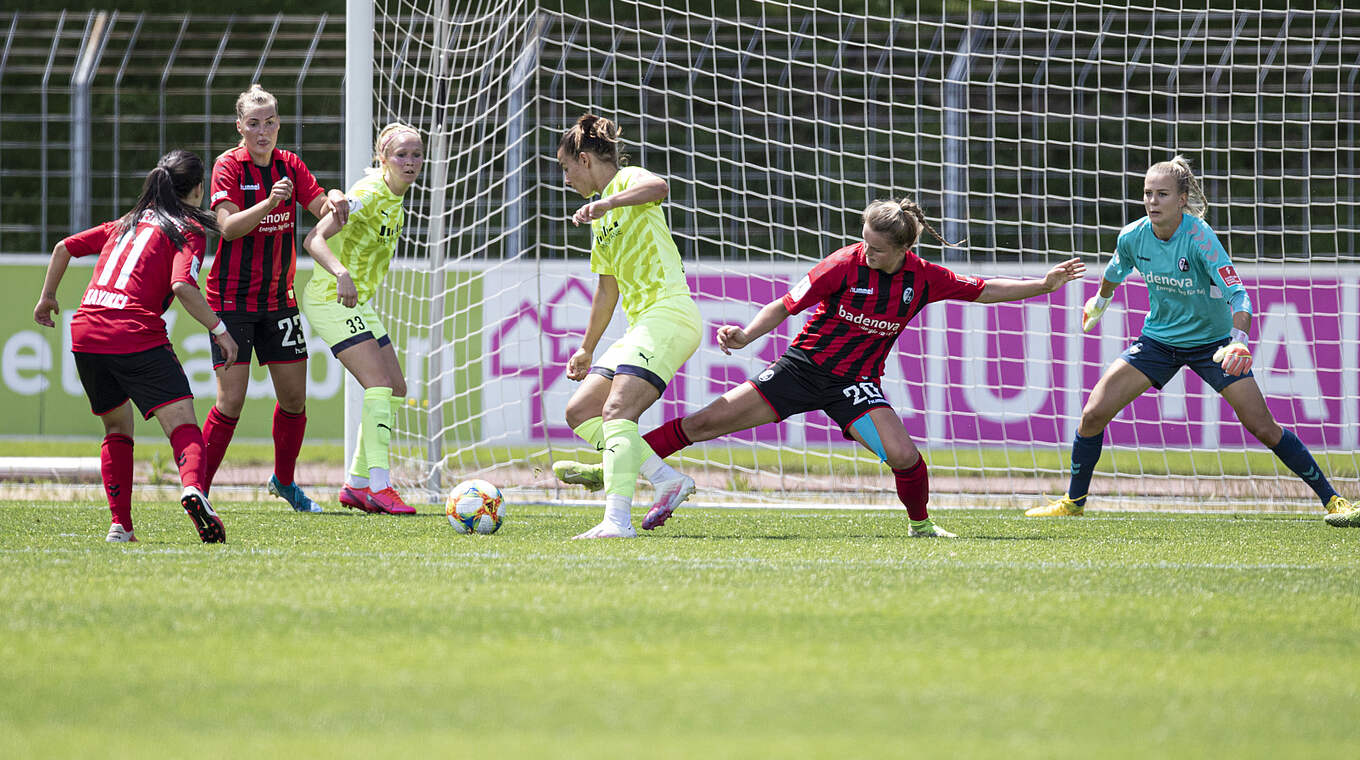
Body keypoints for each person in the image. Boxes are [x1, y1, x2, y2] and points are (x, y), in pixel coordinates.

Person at [560, 199, 1086, 537]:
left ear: (905, 249)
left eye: (878, 250)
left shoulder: (924, 278)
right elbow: (785, 306)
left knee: (904, 454)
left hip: (855, 386)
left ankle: (922, 527)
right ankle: (610, 470)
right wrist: (746, 335)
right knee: (700, 424)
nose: (867, 252)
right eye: (864, 242)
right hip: (798, 372)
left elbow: (984, 290)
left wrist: (1042, 284)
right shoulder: (842, 264)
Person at [1026, 156, 1355, 523]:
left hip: (1213, 345)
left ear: (1182, 199)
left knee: (1262, 425)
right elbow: (1114, 273)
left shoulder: (1200, 237)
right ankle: (1074, 502)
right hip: (1158, 341)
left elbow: (1239, 295)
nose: (1152, 201)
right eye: (1148, 193)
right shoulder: (1133, 236)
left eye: (1162, 194)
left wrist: (1239, 340)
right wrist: (1099, 305)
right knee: (1092, 414)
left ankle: (1335, 501)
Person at [32, 149, 238, 543]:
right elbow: (182, 285)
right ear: (197, 189)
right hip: (133, 331)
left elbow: (63, 247)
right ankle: (194, 488)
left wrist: (47, 298)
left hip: (87, 331)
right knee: (183, 425)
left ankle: (120, 525)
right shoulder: (188, 230)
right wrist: (220, 329)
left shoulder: (125, 222)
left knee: (116, 427)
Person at [549, 113, 704, 539]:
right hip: (642, 325)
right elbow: (606, 291)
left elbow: (660, 187)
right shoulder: (600, 219)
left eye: (566, 168)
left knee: (617, 411)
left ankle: (616, 521)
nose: (566, 179)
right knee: (580, 412)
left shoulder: (627, 182)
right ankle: (664, 478)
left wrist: (609, 202)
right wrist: (587, 348)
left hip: (669, 314)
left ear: (584, 159)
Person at [199, 84, 350, 513]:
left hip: (278, 300)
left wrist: (335, 201)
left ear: (278, 124)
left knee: (294, 399)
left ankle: (284, 481)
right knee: (231, 401)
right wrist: (269, 203)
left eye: (269, 123)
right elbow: (227, 228)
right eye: (253, 124)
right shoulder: (228, 166)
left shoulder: (290, 164)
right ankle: (199, 490)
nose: (262, 132)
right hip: (231, 301)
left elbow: (319, 206)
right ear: (240, 127)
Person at [300, 122, 422, 515]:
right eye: (401, 154)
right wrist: (341, 274)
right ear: (382, 158)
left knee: (396, 388)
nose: (410, 161)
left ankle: (355, 484)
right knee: (379, 383)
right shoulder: (369, 193)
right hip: (330, 297)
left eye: (416, 154)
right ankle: (380, 486)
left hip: (358, 302)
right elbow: (313, 239)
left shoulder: (396, 196)